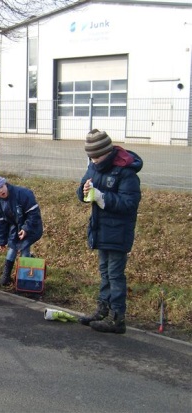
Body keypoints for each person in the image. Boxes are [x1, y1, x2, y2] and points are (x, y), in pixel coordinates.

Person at [77, 129, 142, 334]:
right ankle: (102, 309)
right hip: (101, 229)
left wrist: (101, 197)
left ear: (107, 151)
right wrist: (84, 191)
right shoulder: (94, 166)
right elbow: (82, 190)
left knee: (115, 275)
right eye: (91, 157)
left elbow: (130, 203)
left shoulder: (125, 171)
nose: (93, 161)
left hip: (118, 232)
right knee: (104, 273)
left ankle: (117, 318)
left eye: (96, 156)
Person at [0, 171, 43, 287]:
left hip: (28, 226)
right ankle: (6, 275)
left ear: (5, 183)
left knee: (25, 249)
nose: (1, 191)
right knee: (12, 249)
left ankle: (25, 279)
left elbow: (33, 214)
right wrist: (1, 241)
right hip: (14, 226)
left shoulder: (23, 194)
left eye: (2, 187)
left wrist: (26, 229)